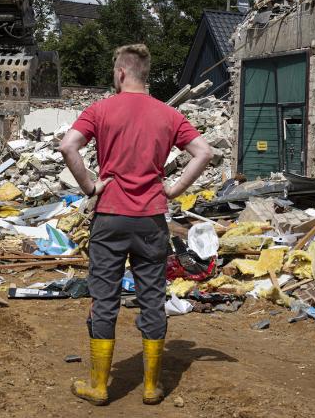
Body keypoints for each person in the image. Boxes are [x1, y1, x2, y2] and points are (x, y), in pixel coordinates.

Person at [59, 43, 213, 406]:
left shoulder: (100, 109)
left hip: (110, 218)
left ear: (120, 73)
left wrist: (90, 186)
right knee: (152, 300)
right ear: (145, 74)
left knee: (104, 299)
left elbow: (68, 147)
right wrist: (173, 189)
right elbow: (204, 152)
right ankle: (151, 387)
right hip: (150, 221)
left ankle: (99, 386)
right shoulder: (168, 114)